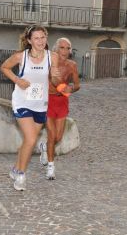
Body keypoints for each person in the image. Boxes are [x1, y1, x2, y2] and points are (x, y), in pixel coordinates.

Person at [0, 25, 57, 191]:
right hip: (22, 101)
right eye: (37, 38)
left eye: (43, 37)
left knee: (28, 141)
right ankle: (21, 176)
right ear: (29, 40)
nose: (40, 41)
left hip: (40, 104)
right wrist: (18, 80)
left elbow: (54, 78)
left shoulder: (51, 57)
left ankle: (15, 168)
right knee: (32, 139)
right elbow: (4, 67)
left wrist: (58, 81)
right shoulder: (21, 57)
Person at [41, 38, 80, 180]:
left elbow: (77, 85)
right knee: (52, 135)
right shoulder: (48, 62)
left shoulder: (72, 65)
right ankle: (51, 167)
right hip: (48, 100)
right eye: (62, 47)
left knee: (58, 137)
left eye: (67, 48)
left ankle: (45, 148)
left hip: (62, 101)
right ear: (56, 49)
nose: (65, 51)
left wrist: (70, 89)